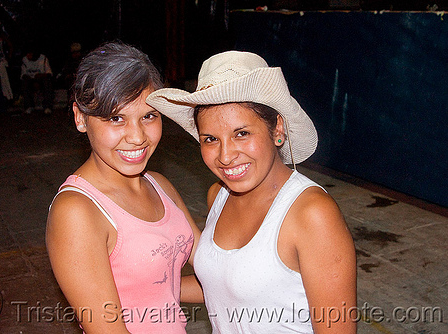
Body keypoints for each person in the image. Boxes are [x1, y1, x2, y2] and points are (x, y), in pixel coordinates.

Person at [147, 50, 357, 333]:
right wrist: (143, 286)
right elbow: (226, 285)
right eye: (210, 139)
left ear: (277, 128)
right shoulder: (218, 196)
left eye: (241, 133)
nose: (225, 155)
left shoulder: (311, 214)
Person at [46, 42, 201, 333]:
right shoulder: (77, 211)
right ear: (81, 117)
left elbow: (206, 275)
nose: (137, 136)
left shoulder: (159, 185)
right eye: (116, 118)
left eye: (149, 116)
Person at [20, 46, 53, 114]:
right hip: (30, 80)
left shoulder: (43, 59)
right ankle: (29, 106)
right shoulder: (25, 60)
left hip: (41, 80)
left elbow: (49, 73)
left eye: (30, 54)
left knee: (47, 82)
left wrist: (40, 76)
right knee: (25, 83)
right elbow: (23, 75)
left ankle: (47, 107)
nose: (28, 55)